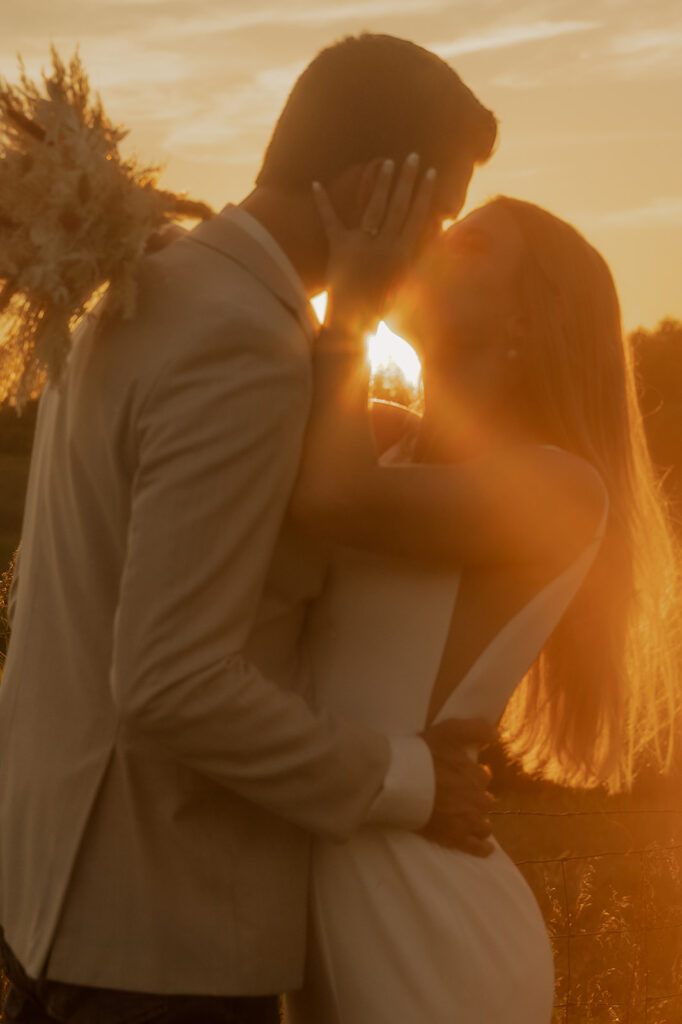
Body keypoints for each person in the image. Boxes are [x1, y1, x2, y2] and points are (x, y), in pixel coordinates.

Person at [0, 35, 498, 1024]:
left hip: (55, 910)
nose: (439, 248)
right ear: (373, 187)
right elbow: (168, 680)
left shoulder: (154, 289)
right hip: (163, 947)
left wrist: (347, 341)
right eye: (437, 214)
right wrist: (407, 777)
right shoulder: (243, 345)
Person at [286, 170, 681, 1022]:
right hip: (344, 887)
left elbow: (330, 498)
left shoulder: (557, 487)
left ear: (525, 321)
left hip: (430, 924)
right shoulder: (383, 442)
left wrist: (350, 304)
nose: (430, 242)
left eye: (468, 242)